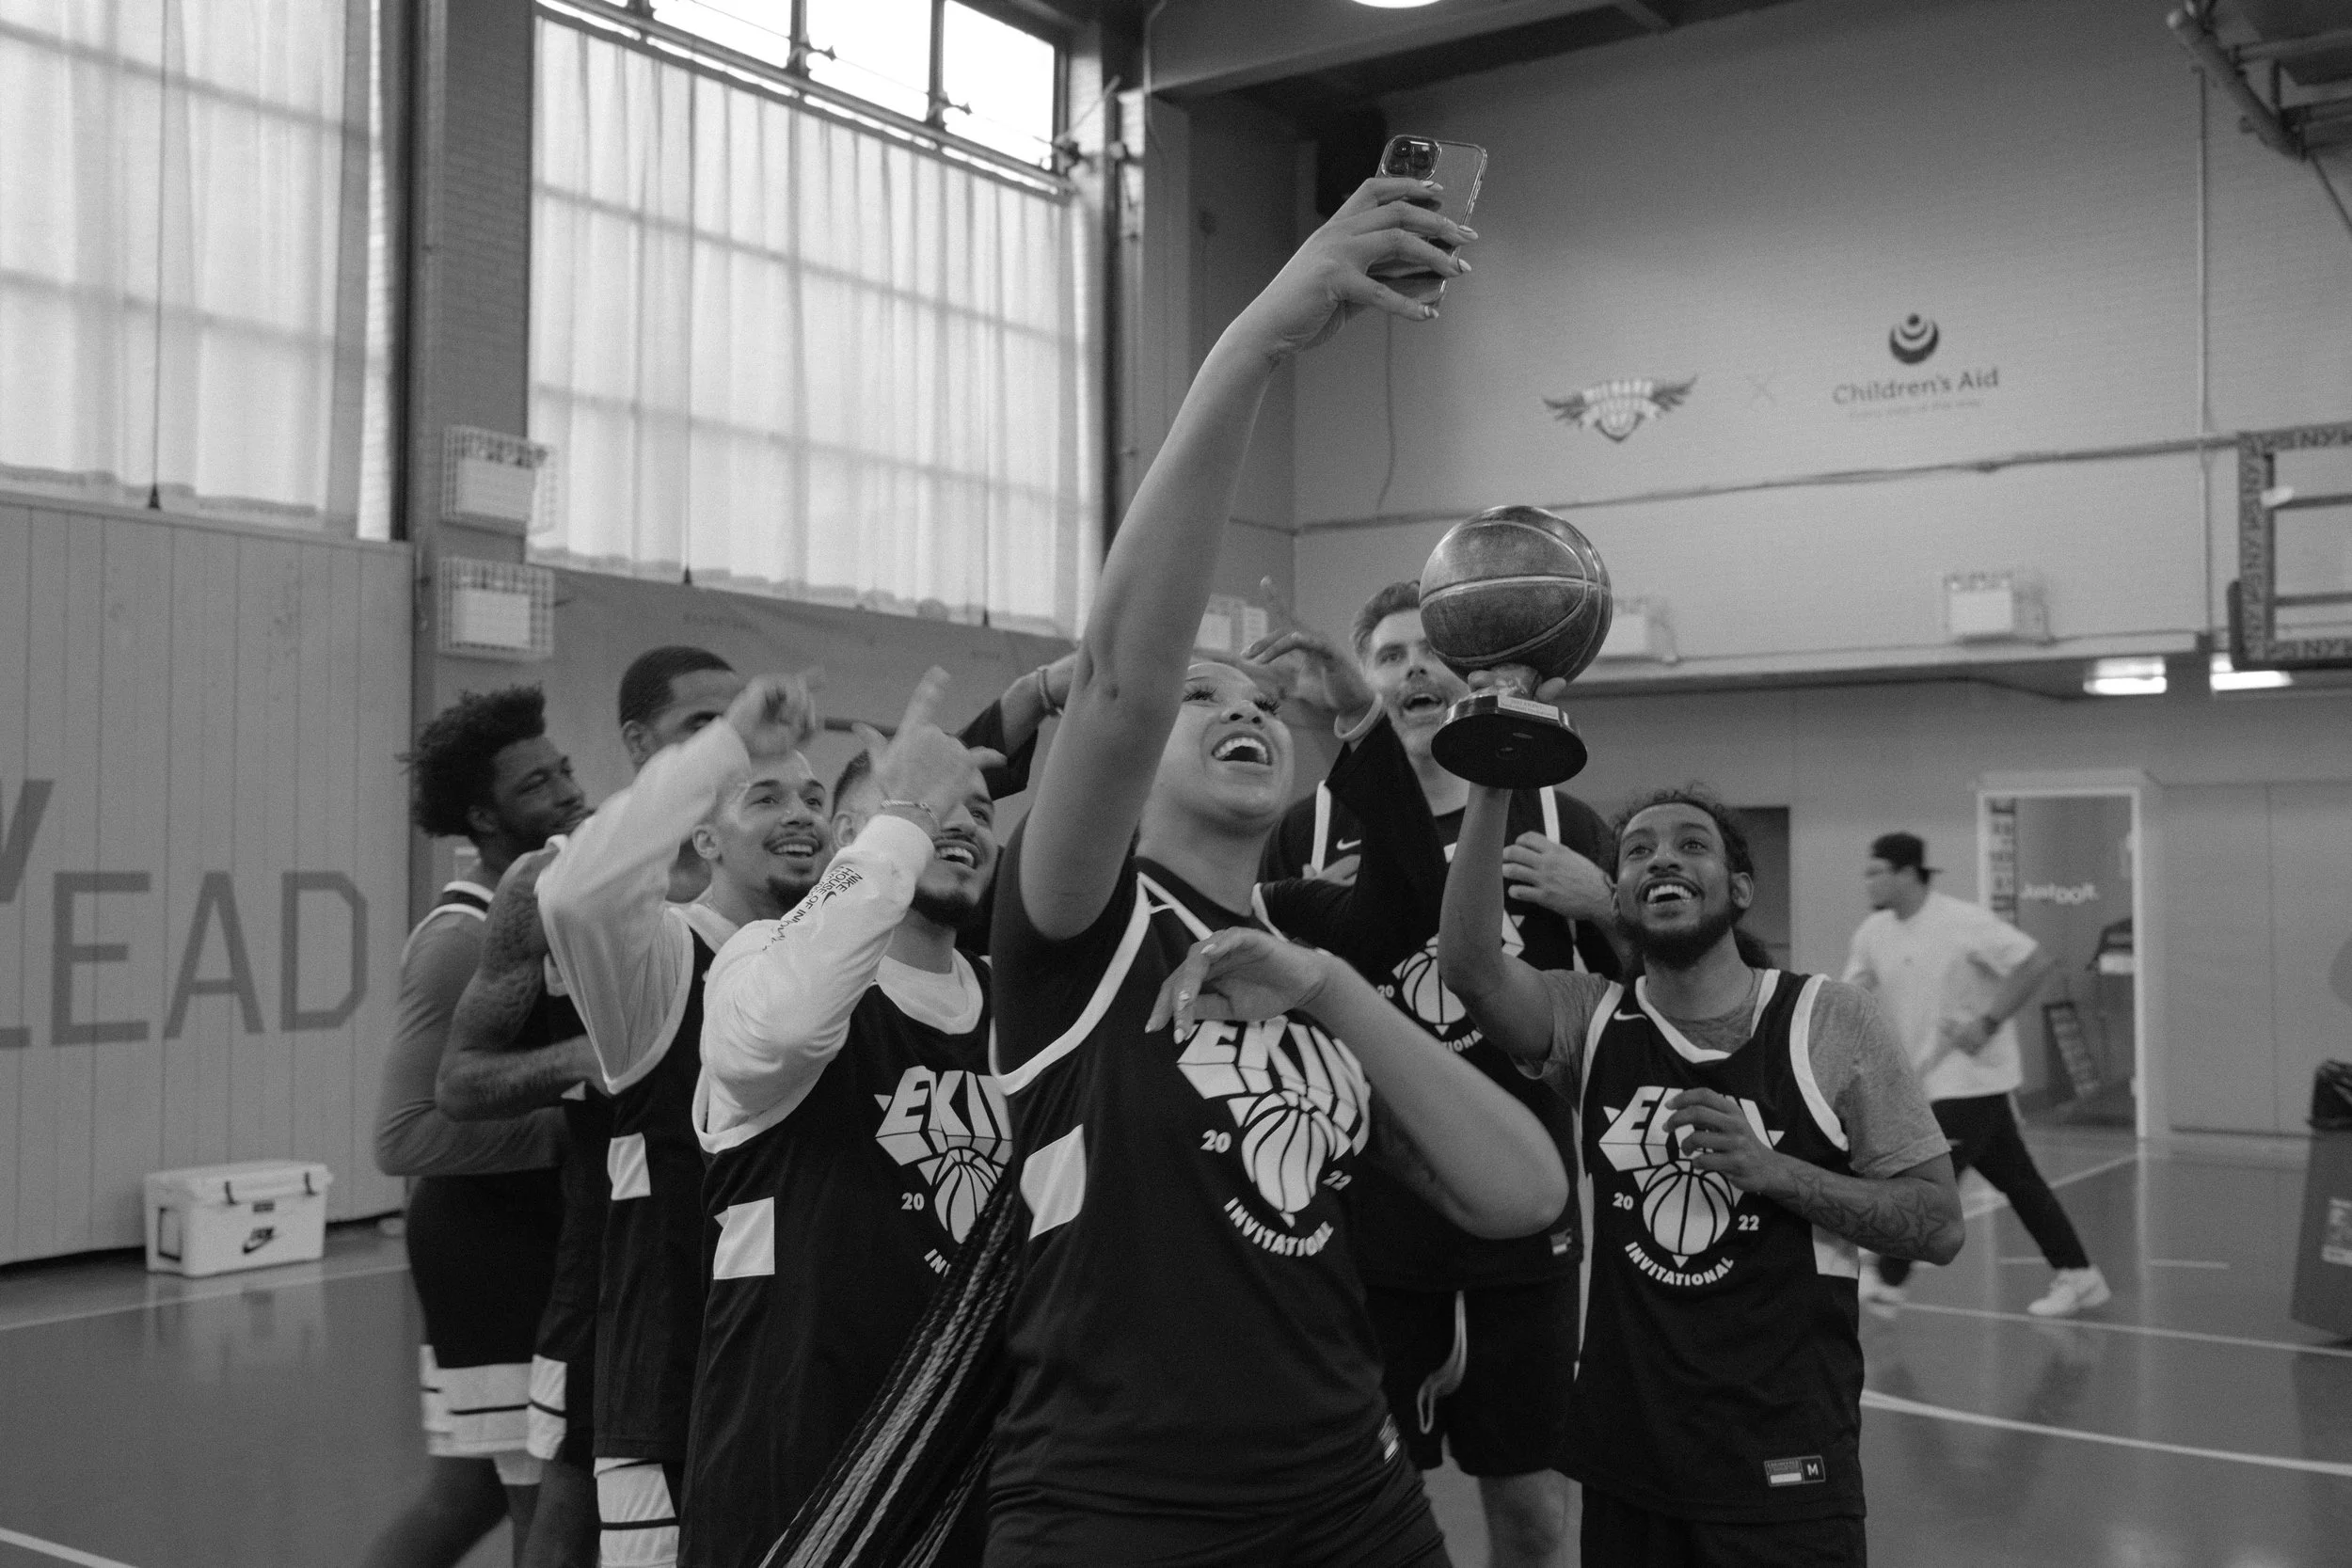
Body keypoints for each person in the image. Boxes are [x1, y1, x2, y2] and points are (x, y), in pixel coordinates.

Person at [984, 174, 1570, 1566]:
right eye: (1201, 698)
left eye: (1259, 699)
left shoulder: (1301, 951)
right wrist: (1256, 340)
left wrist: (1331, 993)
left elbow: (1523, 1194)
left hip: (1350, 1494)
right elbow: (1118, 677)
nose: (1238, 707)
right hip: (1121, 1514)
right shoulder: (1078, 925)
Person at [537, 652, 1057, 1568]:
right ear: (703, 834)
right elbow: (578, 896)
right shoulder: (697, 962)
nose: (801, 816)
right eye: (765, 795)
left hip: (922, 1426)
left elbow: (932, 816)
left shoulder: (965, 986)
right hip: (704, 1403)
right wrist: (730, 743)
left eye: (813, 800)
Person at [1441, 768, 1963, 1568]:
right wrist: (1489, 785)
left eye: (1692, 845)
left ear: (1740, 888)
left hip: (1784, 1462)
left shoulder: (1830, 1019)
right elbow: (1471, 968)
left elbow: (1938, 1224)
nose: (1662, 858)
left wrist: (1776, 1171)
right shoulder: (1591, 1018)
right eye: (1638, 851)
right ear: (1618, 898)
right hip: (1628, 1464)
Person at [1260, 583, 1617, 1567]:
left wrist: (1606, 903)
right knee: (1365, 1511)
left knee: (1534, 1515)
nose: (1412, 667)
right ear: (1364, 684)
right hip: (1366, 1230)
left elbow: (1647, 999)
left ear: (1473, 681)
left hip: (1524, 1230)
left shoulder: (1559, 817)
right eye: (1388, 654)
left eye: (1432, 651)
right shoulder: (1308, 827)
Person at [682, 671, 1008, 1568]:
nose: (959, 822)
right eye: (930, 805)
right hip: (798, 1485)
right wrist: (906, 815)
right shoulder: (756, 961)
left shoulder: (1019, 1012)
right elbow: (786, 1028)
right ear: (857, 840)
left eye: (981, 811)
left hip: (973, 1478)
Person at [438, 646, 749, 1568]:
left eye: (740, 720)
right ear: (639, 742)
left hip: (750, 1233)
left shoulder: (779, 866)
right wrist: (593, 1053)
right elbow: (458, 1082)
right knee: (569, 1515)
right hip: (616, 1248)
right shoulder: (549, 882)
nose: (732, 742)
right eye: (703, 725)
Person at [364, 687, 587, 1568]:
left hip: (533, 1228)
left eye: (563, 769)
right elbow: (401, 1137)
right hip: (490, 1246)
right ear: (484, 817)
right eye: (537, 784)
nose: (567, 791)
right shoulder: (460, 939)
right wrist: (566, 1128)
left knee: (467, 1495)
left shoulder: (549, 901)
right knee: (544, 1499)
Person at [1844, 832, 2107, 1317]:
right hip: (1927, 1084)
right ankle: (2080, 1275)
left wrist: (1986, 1023)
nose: (1868, 881)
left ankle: (1888, 1280)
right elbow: (1850, 998)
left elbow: (2035, 962)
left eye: (1876, 872)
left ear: (1907, 873)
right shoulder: (1873, 933)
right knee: (2021, 1184)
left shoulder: (1963, 922)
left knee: (1928, 1179)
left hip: (1972, 1080)